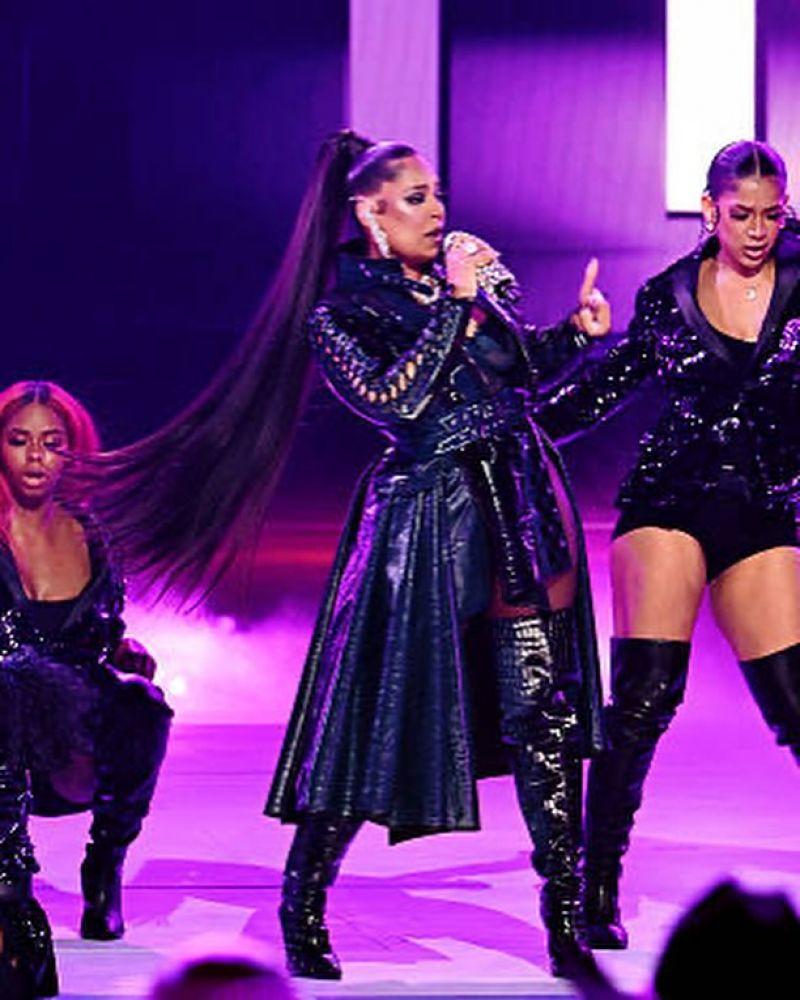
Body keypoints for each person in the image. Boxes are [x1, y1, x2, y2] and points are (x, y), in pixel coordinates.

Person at [84, 129, 612, 978]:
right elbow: (395, 401)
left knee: (539, 712)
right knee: (378, 717)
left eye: (437, 194)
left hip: (517, 502)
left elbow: (515, 376)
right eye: (416, 198)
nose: (436, 210)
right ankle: (303, 898)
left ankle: (564, 919)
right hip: (424, 521)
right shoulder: (340, 314)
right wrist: (455, 305)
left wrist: (573, 336)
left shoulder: (463, 278)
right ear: (370, 214)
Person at [533, 140, 800, 951]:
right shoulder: (667, 297)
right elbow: (601, 392)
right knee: (645, 700)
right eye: (741, 213)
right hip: (668, 502)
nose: (756, 230)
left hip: (762, 510)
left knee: (795, 704)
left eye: (772, 214)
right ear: (710, 208)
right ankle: (595, 883)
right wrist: (510, 426)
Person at [0, 380, 172, 995]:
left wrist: (123, 652)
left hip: (71, 732)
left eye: (52, 443)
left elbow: (105, 628)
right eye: (19, 440)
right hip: (4, 726)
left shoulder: (90, 532)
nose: (36, 456)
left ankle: (105, 867)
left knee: (144, 705)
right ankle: (11, 895)